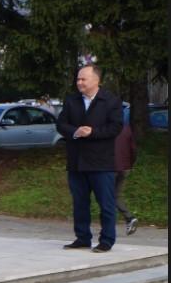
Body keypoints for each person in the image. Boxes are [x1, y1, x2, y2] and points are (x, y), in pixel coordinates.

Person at [55, 64, 124, 253]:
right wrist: (75, 132)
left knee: (106, 204)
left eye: (83, 79)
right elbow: (61, 124)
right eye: (78, 79)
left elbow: (115, 128)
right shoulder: (71, 100)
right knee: (80, 203)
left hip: (101, 162)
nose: (79, 83)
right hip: (76, 161)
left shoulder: (110, 101)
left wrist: (92, 132)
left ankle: (107, 240)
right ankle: (82, 237)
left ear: (96, 80)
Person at [113, 121, 138, 235]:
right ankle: (129, 218)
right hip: (125, 166)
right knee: (116, 195)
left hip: (110, 167)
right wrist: (130, 164)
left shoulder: (104, 128)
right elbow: (133, 149)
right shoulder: (126, 128)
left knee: (105, 196)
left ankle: (108, 224)